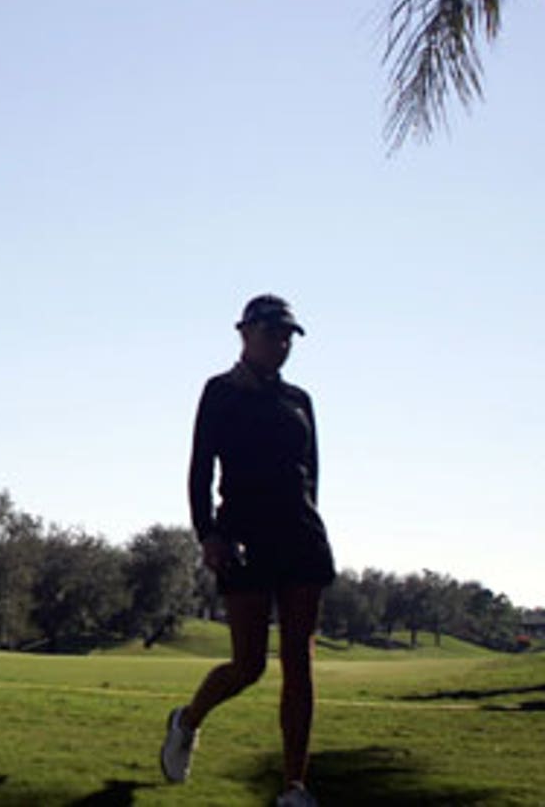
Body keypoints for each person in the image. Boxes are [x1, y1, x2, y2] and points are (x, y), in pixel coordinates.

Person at [161, 294, 334, 807]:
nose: (281, 345)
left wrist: (312, 523)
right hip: (243, 537)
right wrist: (207, 533)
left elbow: (312, 475)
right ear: (245, 334)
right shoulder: (219, 393)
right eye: (271, 334)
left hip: (301, 537)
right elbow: (199, 472)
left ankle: (293, 787)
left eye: (287, 337)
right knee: (249, 665)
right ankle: (187, 720)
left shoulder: (300, 400)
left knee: (299, 663)